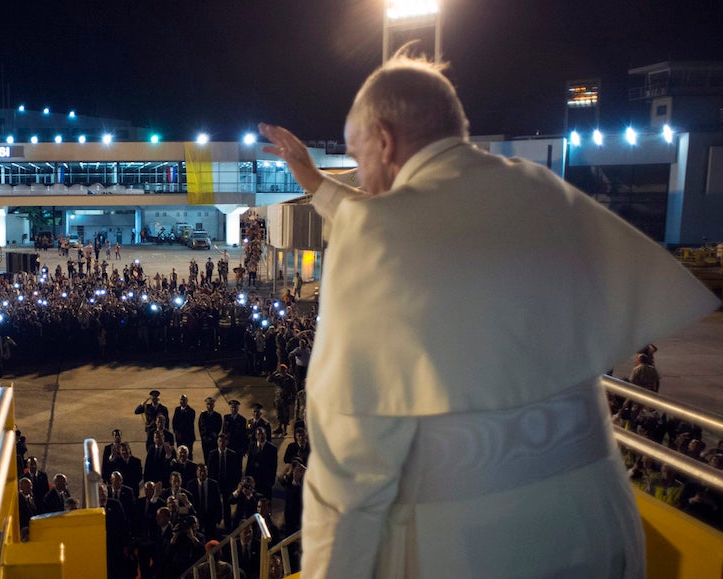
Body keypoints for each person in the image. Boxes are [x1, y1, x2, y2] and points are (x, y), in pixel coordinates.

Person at [259, 53, 719, 577]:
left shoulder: (379, 231)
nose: (362, 177)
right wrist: (317, 184)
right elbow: (412, 221)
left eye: (360, 157)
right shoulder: (539, 189)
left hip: (480, 547)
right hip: (603, 526)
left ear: (384, 140)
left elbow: (349, 458)